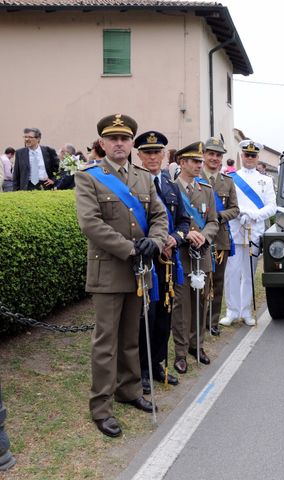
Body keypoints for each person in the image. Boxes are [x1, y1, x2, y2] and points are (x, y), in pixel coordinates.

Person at [75, 114, 168, 438]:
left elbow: (158, 215)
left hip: (139, 272)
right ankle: (101, 406)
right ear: (102, 143)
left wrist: (154, 242)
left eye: (124, 139)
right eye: (112, 138)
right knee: (106, 343)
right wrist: (131, 248)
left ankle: (128, 391)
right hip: (109, 272)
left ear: (131, 144)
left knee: (131, 338)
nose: (118, 143)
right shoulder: (89, 177)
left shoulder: (143, 177)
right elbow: (90, 223)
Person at [133, 131, 190, 394]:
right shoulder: (133, 185)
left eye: (157, 152)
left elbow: (183, 222)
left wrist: (175, 239)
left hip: (167, 263)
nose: (153, 157)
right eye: (147, 153)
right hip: (145, 262)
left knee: (164, 318)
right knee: (146, 316)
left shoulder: (171, 186)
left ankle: (157, 364)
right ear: (139, 156)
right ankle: (142, 369)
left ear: (165, 155)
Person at [171, 142, 219, 374]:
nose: (200, 165)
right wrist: (184, 235)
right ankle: (180, 352)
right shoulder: (170, 189)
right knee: (181, 306)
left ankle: (196, 345)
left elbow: (213, 221)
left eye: (200, 161)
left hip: (202, 255)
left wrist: (204, 235)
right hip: (180, 256)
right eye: (194, 161)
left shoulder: (206, 189)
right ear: (182, 163)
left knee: (201, 302)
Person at [220, 140, 276, 326]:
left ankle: (245, 311)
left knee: (248, 274)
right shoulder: (231, 178)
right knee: (232, 273)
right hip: (235, 230)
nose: (250, 158)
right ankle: (232, 311)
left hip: (253, 231)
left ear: (257, 157)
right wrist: (239, 215)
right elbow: (227, 204)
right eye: (247, 155)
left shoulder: (266, 180)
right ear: (242, 156)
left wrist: (253, 215)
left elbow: (272, 207)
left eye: (253, 155)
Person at [200, 134, 239, 336]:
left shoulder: (228, 182)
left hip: (221, 240)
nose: (214, 158)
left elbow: (235, 210)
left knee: (217, 282)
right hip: (199, 239)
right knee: (199, 283)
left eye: (218, 155)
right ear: (204, 155)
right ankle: (197, 322)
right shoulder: (194, 177)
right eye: (211, 154)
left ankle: (212, 322)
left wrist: (218, 216)